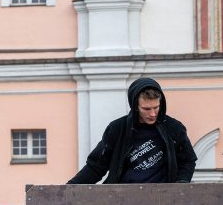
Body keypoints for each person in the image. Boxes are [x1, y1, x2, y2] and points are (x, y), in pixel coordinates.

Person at [68, 78, 197, 184]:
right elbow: (96, 166)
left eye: (156, 107)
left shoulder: (174, 128)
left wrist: (181, 183)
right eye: (146, 109)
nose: (153, 114)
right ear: (135, 106)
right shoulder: (117, 129)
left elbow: (188, 160)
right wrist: (69, 189)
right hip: (122, 200)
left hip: (162, 200)